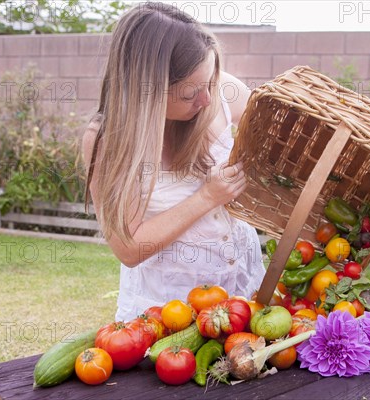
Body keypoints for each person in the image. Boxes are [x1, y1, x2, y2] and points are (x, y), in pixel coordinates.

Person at [81, 2, 266, 322]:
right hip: (169, 316)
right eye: (190, 93)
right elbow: (129, 248)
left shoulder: (220, 90)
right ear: (147, 92)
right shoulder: (108, 140)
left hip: (246, 296)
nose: (208, 99)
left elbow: (279, 134)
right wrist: (207, 197)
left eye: (210, 82)